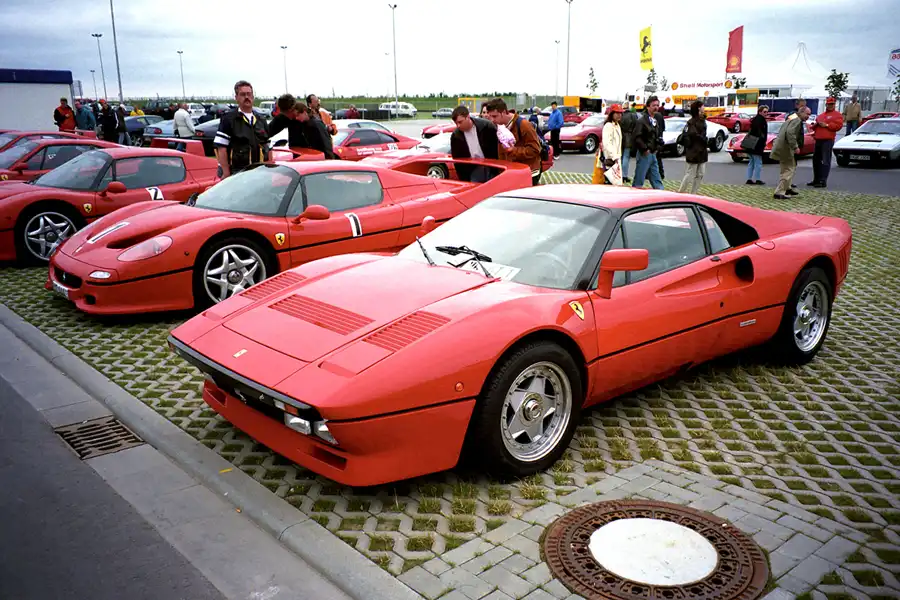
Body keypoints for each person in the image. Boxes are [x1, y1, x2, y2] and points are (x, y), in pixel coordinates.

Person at [214, 80, 270, 178]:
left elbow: (268, 147)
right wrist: (226, 172)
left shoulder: (261, 120)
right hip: (237, 173)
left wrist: (269, 170)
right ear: (236, 98)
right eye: (243, 94)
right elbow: (221, 148)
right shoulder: (228, 119)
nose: (247, 97)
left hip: (259, 172)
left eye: (249, 94)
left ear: (253, 96)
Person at [485, 98, 542, 186]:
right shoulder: (499, 127)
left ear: (504, 112)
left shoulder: (524, 125)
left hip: (528, 173)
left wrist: (513, 150)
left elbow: (535, 150)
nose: (492, 120)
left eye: (495, 116)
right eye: (490, 116)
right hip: (510, 173)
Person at [449, 105, 499, 183]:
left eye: (460, 122)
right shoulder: (456, 136)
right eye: (456, 123)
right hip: (473, 170)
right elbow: (457, 161)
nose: (458, 126)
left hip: (492, 167)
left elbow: (497, 149)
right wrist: (464, 179)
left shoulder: (487, 127)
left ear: (468, 117)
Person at [771, 106, 810, 199]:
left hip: (782, 146)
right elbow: (790, 133)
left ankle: (787, 188)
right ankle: (780, 191)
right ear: (801, 112)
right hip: (786, 148)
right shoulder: (797, 120)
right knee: (789, 169)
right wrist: (795, 146)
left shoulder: (792, 117)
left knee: (786, 168)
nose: (808, 116)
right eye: (807, 114)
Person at [809, 97, 843, 188]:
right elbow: (815, 126)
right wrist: (815, 126)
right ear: (826, 104)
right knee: (816, 160)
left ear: (834, 105)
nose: (830, 106)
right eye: (829, 104)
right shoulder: (821, 115)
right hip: (818, 139)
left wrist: (827, 125)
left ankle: (823, 180)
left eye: (832, 104)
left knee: (825, 160)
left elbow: (838, 126)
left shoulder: (837, 115)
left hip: (827, 140)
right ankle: (816, 179)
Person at [631, 96, 664, 189]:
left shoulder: (655, 120)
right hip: (644, 153)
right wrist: (645, 149)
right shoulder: (641, 121)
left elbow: (655, 136)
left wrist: (657, 146)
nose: (656, 107)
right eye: (653, 105)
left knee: (656, 178)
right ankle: (634, 194)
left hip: (653, 153)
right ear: (648, 107)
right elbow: (636, 137)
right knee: (639, 179)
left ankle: (660, 193)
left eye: (657, 105)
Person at [678, 101, 709, 194]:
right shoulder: (691, 122)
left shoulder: (703, 120)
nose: (704, 108)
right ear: (698, 108)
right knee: (690, 173)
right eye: (703, 106)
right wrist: (703, 138)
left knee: (701, 174)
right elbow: (693, 134)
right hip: (694, 150)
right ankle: (681, 192)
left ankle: (694, 193)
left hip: (702, 151)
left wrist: (704, 139)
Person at [598, 104, 624, 185]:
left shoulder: (617, 125)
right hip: (610, 159)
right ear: (612, 114)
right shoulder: (608, 126)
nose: (619, 115)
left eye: (620, 113)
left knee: (615, 183)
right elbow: (607, 143)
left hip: (616, 159)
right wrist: (614, 156)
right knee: (611, 183)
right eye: (617, 113)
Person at [745, 105, 769, 185]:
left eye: (767, 112)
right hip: (757, 145)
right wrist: (763, 141)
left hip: (750, 144)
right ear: (760, 112)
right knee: (758, 163)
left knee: (751, 162)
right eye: (764, 112)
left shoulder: (755, 119)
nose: (766, 113)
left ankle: (749, 178)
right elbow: (761, 133)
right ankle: (757, 179)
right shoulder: (761, 121)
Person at [620, 102, 637, 183]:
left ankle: (619, 174)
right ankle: (624, 175)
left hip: (620, 137)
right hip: (629, 138)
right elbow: (636, 127)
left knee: (620, 157)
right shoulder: (633, 115)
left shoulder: (621, 115)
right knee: (626, 157)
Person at [655, 105, 667, 180]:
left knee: (653, 157)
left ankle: (649, 173)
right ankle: (661, 173)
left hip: (655, 138)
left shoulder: (652, 116)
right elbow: (663, 127)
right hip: (660, 137)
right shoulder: (660, 115)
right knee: (658, 157)